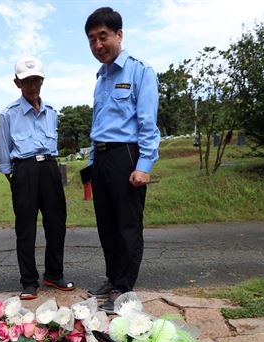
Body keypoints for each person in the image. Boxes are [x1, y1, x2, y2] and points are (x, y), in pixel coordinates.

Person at [83, 8, 161, 313]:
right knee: (107, 225)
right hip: (101, 158)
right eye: (92, 40)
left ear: (119, 35)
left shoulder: (140, 72)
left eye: (103, 36)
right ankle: (113, 279)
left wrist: (144, 166)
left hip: (126, 156)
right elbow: (98, 125)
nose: (98, 45)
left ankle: (124, 289)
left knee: (128, 225)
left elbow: (148, 125)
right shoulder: (101, 78)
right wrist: (91, 165)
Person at [0, 56, 74, 300]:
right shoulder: (8, 114)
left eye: (37, 80)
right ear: (17, 83)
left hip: (50, 168)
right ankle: (29, 281)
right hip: (24, 170)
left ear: (42, 80)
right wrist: (15, 177)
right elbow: (3, 153)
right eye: (27, 81)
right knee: (26, 228)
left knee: (56, 223)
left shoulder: (52, 112)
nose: (32, 85)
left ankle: (54, 273)